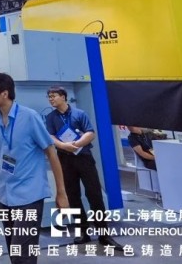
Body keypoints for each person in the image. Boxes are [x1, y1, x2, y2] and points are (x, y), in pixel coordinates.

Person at [0, 72, 68, 264]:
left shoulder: (29, 117)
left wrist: (61, 193)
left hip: (29, 195)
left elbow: (51, 153)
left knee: (23, 256)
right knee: (15, 252)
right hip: (5, 194)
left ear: (4, 93)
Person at [45, 87, 120, 247]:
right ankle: (83, 232)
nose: (51, 99)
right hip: (65, 159)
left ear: (63, 97)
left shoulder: (79, 114)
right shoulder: (50, 117)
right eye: (49, 97)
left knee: (95, 195)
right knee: (73, 196)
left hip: (84, 157)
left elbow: (90, 133)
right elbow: (50, 137)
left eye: (53, 96)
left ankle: (104, 235)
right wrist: (64, 146)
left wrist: (77, 144)